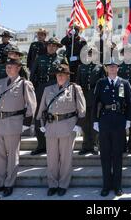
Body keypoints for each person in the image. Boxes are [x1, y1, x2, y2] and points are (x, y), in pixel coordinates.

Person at [0, 58, 37, 198]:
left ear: (18, 68)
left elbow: (32, 106)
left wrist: (26, 123)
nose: (8, 69)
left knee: (13, 156)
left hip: (14, 123)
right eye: (7, 66)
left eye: (11, 67)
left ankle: (9, 184)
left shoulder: (24, 84)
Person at [37, 60, 85, 196]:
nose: (60, 77)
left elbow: (82, 110)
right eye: (58, 74)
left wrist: (78, 126)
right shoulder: (48, 89)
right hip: (51, 126)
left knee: (65, 158)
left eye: (63, 74)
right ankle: (52, 184)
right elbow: (42, 109)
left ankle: (63, 184)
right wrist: (42, 125)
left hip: (68, 127)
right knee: (51, 158)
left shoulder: (75, 89)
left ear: (68, 76)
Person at [92, 57, 131, 197]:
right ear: (106, 68)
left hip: (119, 121)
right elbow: (95, 102)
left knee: (117, 155)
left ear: (118, 68)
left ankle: (117, 185)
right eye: (109, 66)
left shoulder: (125, 83)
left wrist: (128, 120)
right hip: (104, 120)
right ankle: (106, 185)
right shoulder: (101, 82)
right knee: (105, 155)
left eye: (114, 66)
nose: (112, 68)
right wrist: (95, 121)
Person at [30, 37, 62, 156]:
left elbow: (65, 76)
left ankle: (54, 145)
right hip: (41, 88)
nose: (51, 47)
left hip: (55, 89)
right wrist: (33, 90)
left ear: (57, 47)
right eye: (49, 45)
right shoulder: (40, 58)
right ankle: (41, 145)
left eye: (54, 46)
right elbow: (33, 75)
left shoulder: (61, 59)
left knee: (54, 116)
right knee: (39, 116)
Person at [76, 46, 105, 155]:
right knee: (84, 123)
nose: (91, 55)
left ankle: (94, 145)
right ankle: (85, 145)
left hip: (95, 97)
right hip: (83, 97)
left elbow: (102, 83)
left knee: (94, 123)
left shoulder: (100, 67)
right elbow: (78, 84)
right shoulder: (81, 67)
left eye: (93, 53)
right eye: (89, 53)